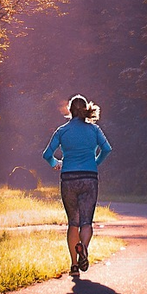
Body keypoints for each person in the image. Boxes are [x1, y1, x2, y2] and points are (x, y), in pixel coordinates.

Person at [42, 94, 112, 278]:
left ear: (69, 110)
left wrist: (55, 163)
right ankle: (84, 249)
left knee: (73, 223)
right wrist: (95, 162)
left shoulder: (62, 131)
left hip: (69, 178)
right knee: (86, 222)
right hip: (89, 177)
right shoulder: (94, 130)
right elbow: (107, 149)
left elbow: (47, 154)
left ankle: (74, 265)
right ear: (85, 110)